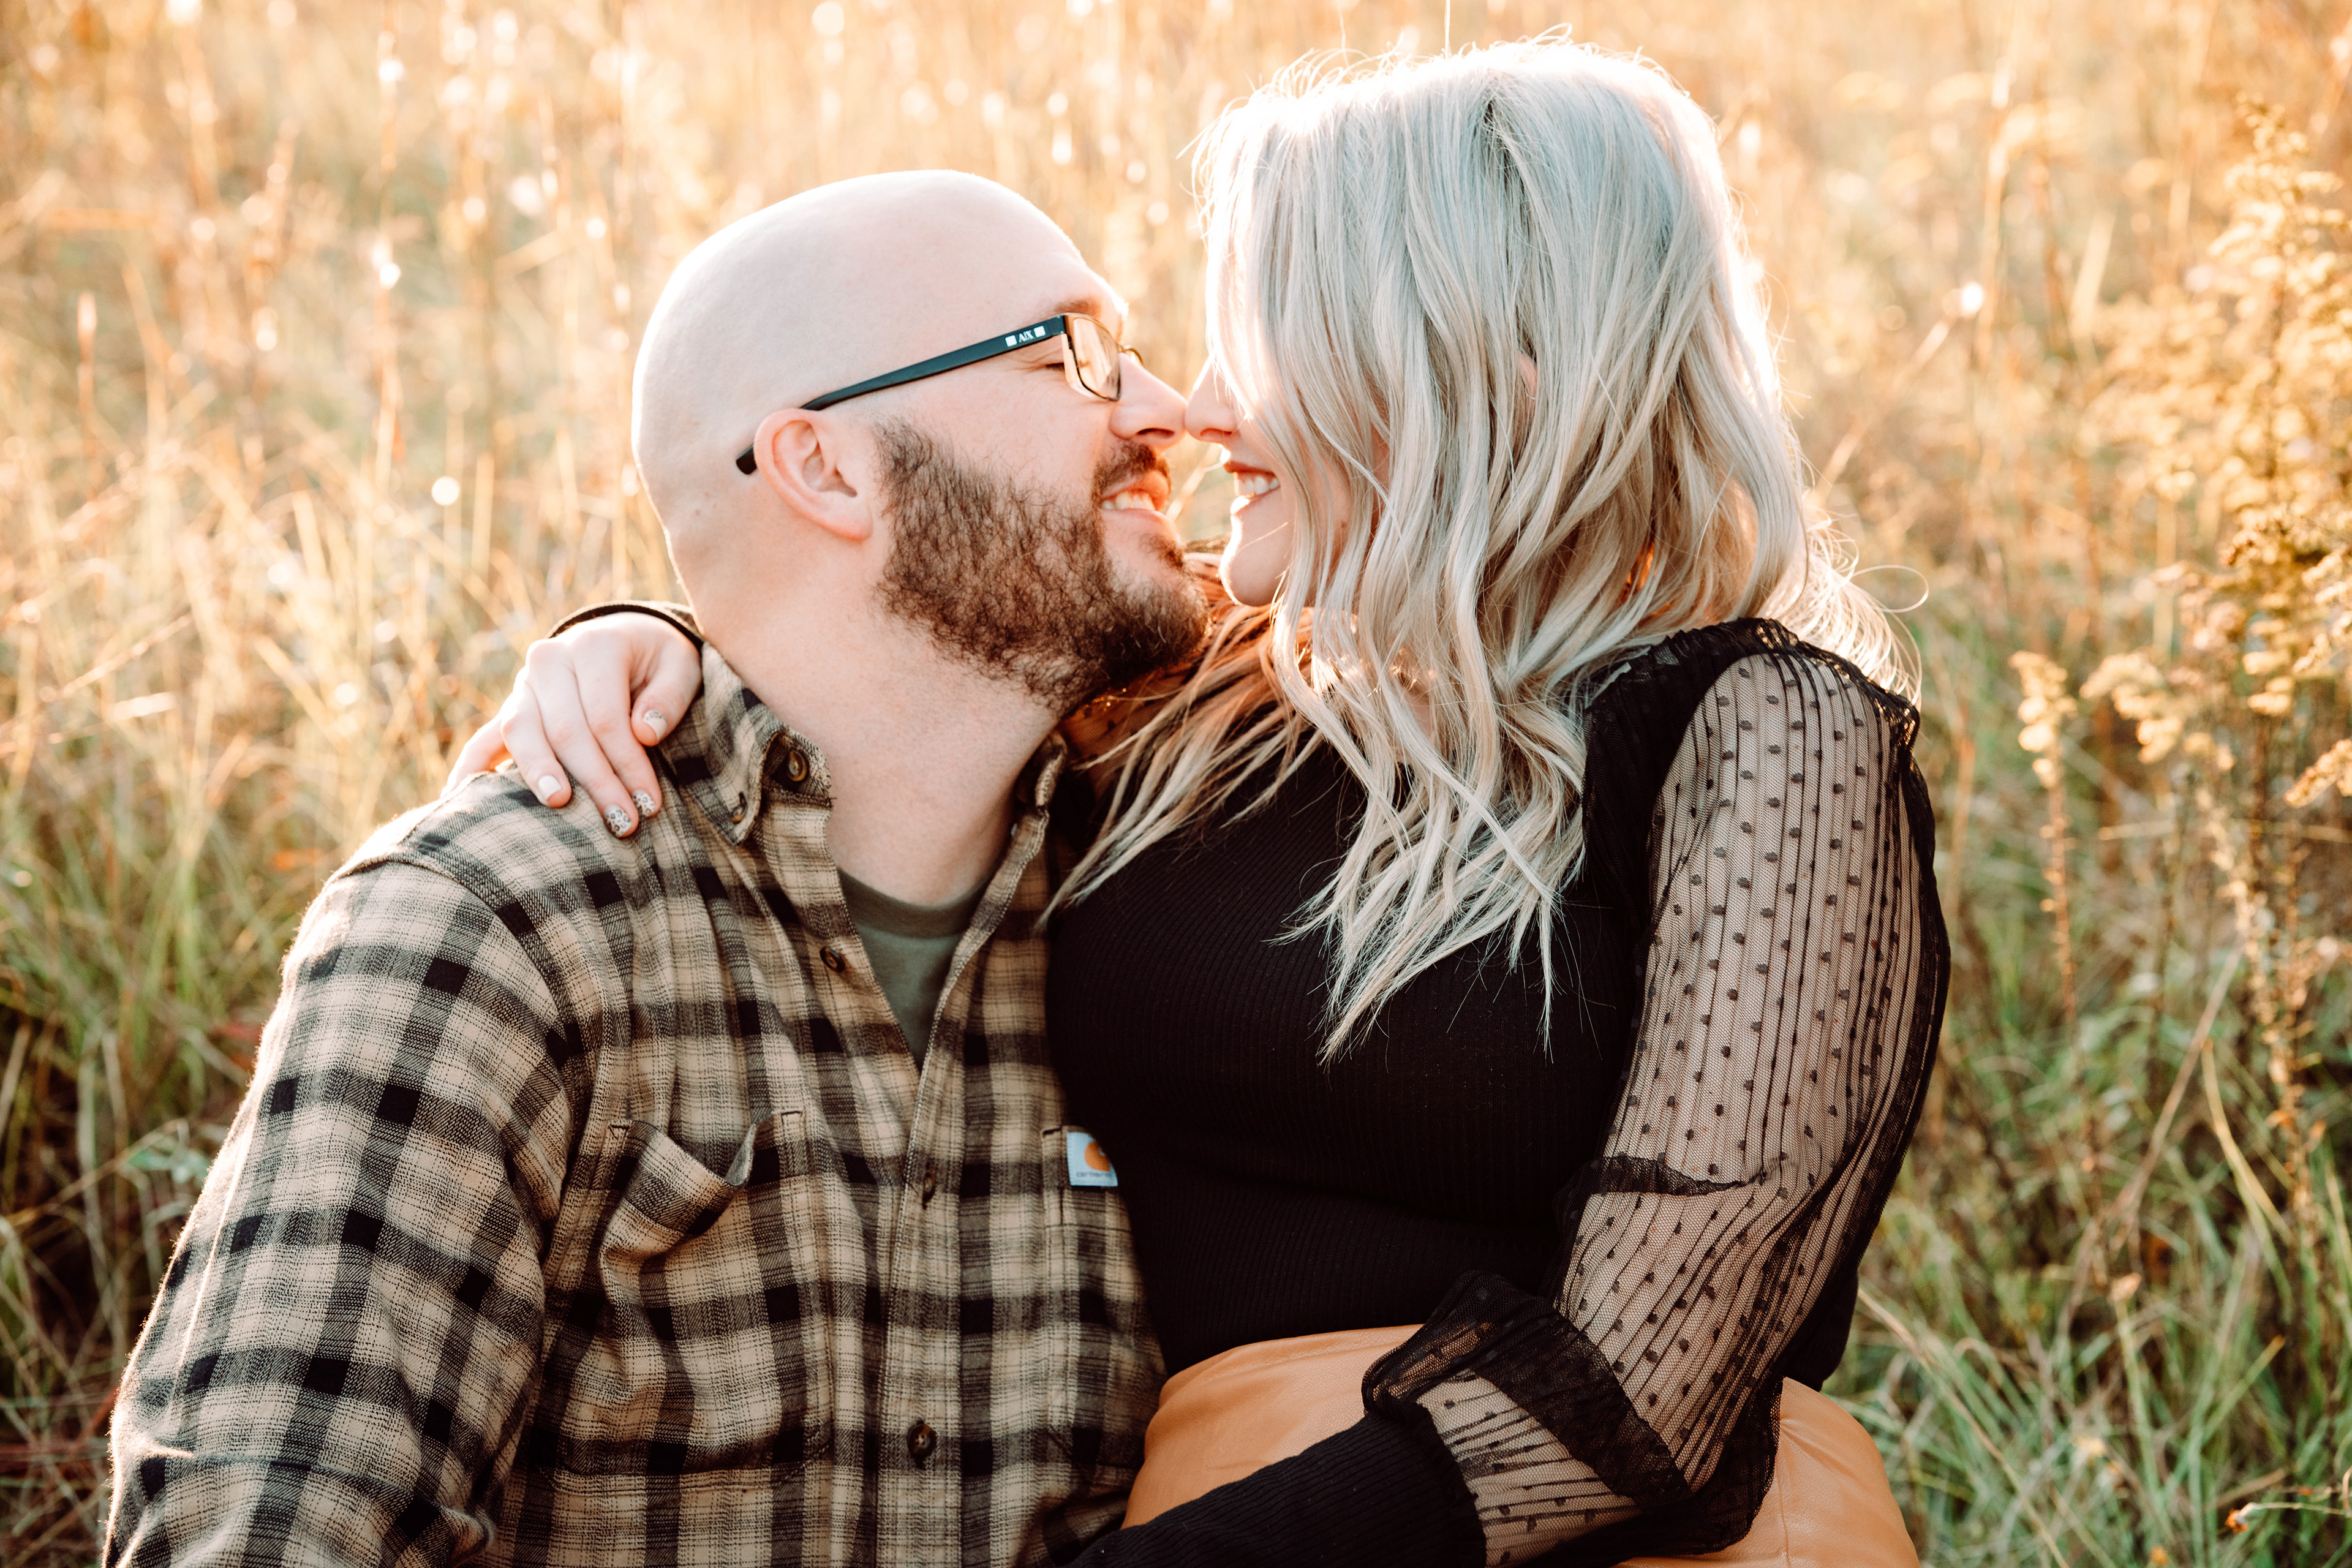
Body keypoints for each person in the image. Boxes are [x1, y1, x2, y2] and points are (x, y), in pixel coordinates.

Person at [465, 40, 1947, 1568]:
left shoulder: (1763, 732)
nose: (1202, 411)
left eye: (1269, 342)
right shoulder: (1188, 709)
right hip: (1219, 1502)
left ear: (1472, 367)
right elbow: (903, 634)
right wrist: (649, 644)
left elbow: (1644, 1393)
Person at [104, 170, 1211, 1567]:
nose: (1169, 407)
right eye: (1075, 353)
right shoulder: (497, 928)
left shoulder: (1177, 892)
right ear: (826, 468)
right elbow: (271, 1527)